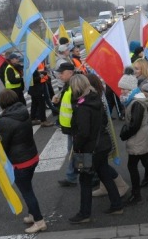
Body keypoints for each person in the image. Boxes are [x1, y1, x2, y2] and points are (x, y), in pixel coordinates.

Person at [67, 74, 123, 224]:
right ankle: (117, 204)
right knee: (104, 174)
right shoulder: (95, 98)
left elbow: (83, 132)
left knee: (85, 180)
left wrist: (77, 147)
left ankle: (84, 213)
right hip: (102, 145)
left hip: (90, 149)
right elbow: (104, 120)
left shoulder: (82, 106)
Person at [0, 89, 46, 233]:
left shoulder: (5, 121)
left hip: (20, 162)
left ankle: (39, 221)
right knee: (28, 188)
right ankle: (33, 214)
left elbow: (3, 145)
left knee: (27, 192)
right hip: (32, 156)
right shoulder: (23, 111)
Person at [118, 73, 148, 205]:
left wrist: (124, 134)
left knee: (134, 165)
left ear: (130, 88)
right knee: (146, 163)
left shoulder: (136, 102)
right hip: (140, 137)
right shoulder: (135, 99)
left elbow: (134, 125)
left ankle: (137, 194)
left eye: (123, 89)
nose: (121, 91)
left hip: (138, 138)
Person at [86, 74, 130, 198]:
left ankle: (121, 185)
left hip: (101, 136)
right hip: (102, 135)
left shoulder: (96, 97)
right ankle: (103, 186)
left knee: (102, 165)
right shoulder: (97, 94)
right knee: (101, 164)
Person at [55, 63, 79, 187]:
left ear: (70, 73)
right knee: (74, 152)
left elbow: (78, 108)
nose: (60, 75)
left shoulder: (76, 86)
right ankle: (72, 176)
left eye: (62, 73)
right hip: (69, 127)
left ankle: (73, 177)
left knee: (76, 152)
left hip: (74, 127)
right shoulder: (68, 85)